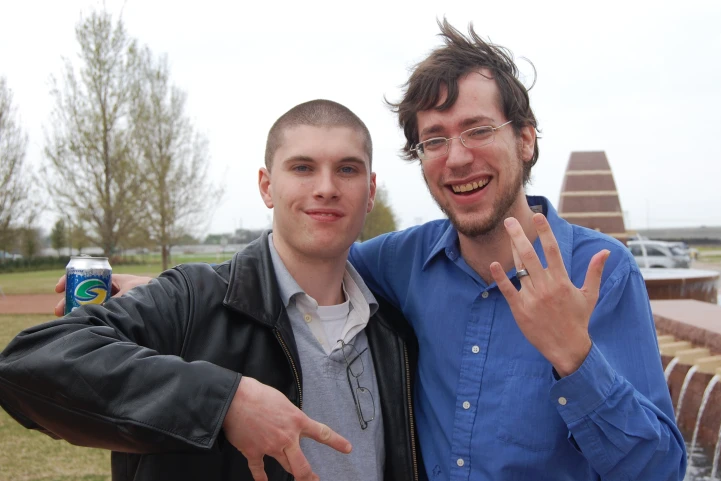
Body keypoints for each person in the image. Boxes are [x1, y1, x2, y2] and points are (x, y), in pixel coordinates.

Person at [54, 21, 688, 479]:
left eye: (477, 129)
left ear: (525, 140)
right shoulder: (399, 264)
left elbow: (659, 469)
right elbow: (294, 260)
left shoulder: (602, 273)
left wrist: (575, 359)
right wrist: (156, 289)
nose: (457, 156)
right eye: (434, 139)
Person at [0, 100, 423, 481]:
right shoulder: (191, 299)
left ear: (369, 192)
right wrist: (225, 403)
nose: (326, 187)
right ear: (266, 186)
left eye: (347, 169)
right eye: (302, 167)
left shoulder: (395, 331)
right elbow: (27, 364)